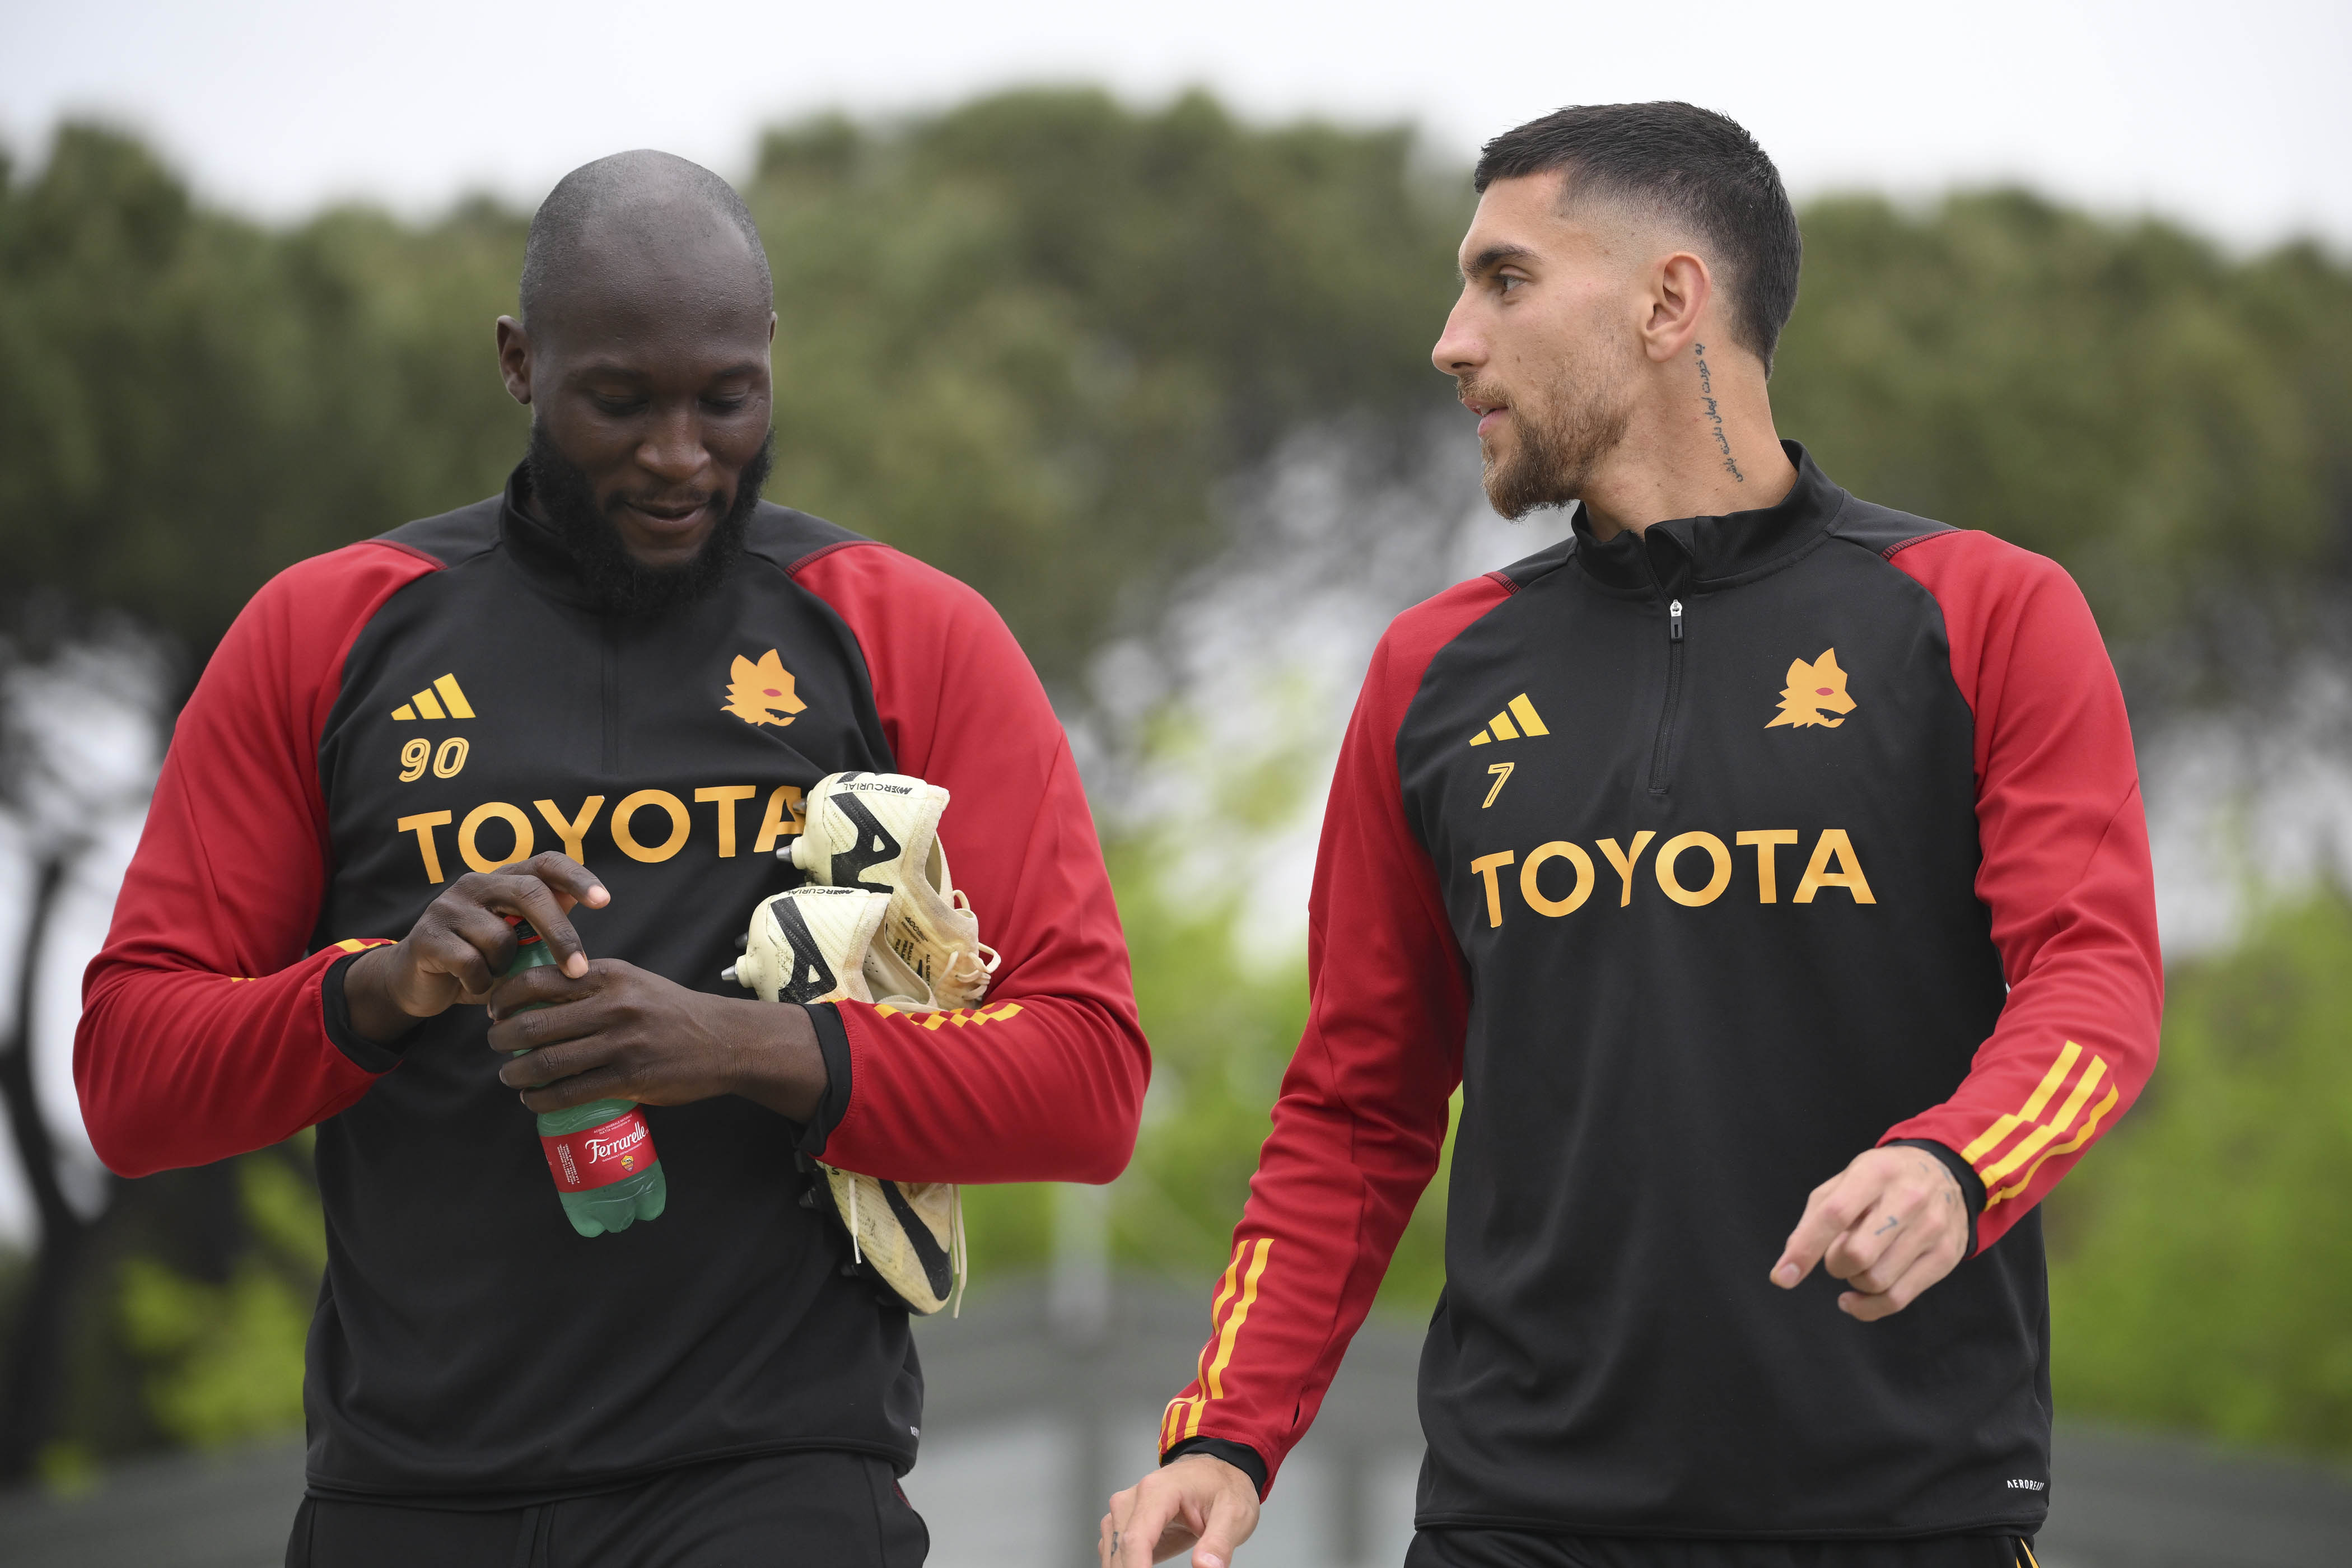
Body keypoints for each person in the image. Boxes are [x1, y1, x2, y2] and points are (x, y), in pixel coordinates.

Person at [1103, 102, 2159, 1568]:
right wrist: (1227, 1432)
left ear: (1671, 302)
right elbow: (1356, 1109)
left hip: (1899, 1519)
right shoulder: (1434, 671)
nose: (1452, 341)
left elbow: (2095, 990)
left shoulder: (1982, 612)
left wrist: (1955, 1166)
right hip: (1514, 1524)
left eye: (1507, 280)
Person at [74, 150, 1149, 1567]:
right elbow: (130, 1084)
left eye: (725, 398)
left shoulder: (908, 634)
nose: (680, 452)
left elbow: (1089, 1080)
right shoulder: (325, 634)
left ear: (773, 355)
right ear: (521, 364)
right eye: (621, 402)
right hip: (408, 1496)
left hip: (768, 1483)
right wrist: (380, 990)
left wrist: (743, 1044)